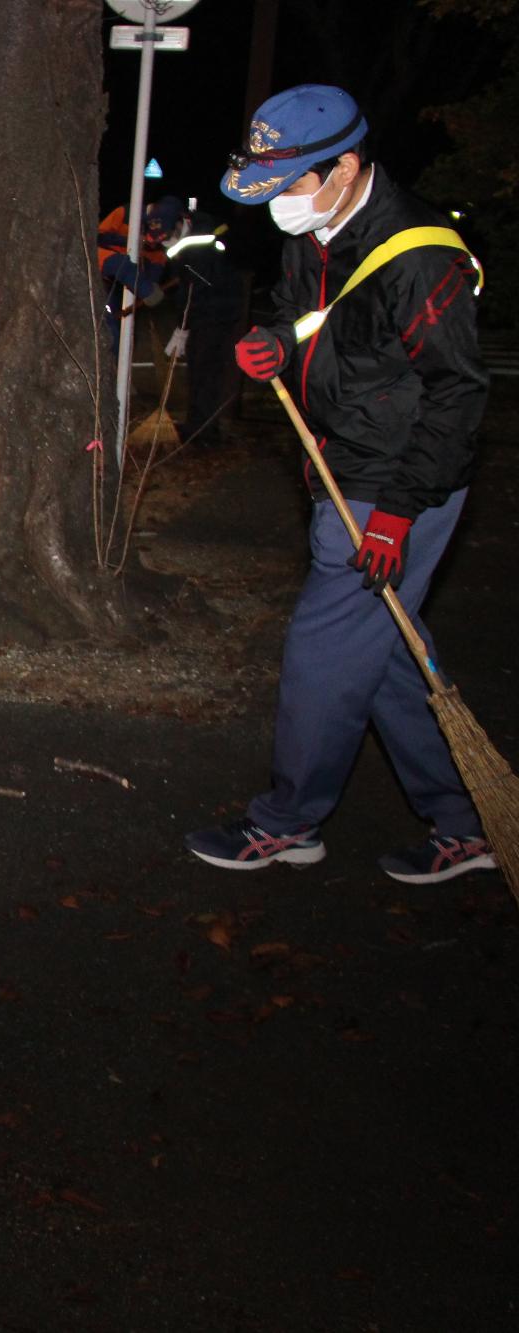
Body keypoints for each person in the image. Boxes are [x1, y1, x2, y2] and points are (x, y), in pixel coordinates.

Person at [184, 84, 496, 884]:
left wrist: (396, 513)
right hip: (342, 460)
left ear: (344, 166)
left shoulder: (421, 254)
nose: (278, 205)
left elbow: (460, 393)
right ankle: (467, 819)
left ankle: (288, 821)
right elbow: (305, 312)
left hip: (398, 482)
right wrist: (275, 343)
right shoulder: (317, 227)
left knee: (324, 652)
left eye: (288, 184)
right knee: (382, 651)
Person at [164, 202, 249, 446]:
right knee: (206, 374)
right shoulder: (203, 242)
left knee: (204, 374)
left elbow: (193, 289)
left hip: (210, 318)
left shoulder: (196, 247)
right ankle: (201, 426)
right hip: (215, 316)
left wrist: (182, 326)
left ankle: (201, 431)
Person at [98, 194, 182, 352]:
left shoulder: (161, 247)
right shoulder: (126, 214)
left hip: (130, 287)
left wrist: (148, 289)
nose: (154, 243)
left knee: (126, 339)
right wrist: (129, 241)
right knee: (110, 333)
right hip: (105, 279)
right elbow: (98, 236)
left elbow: (154, 275)